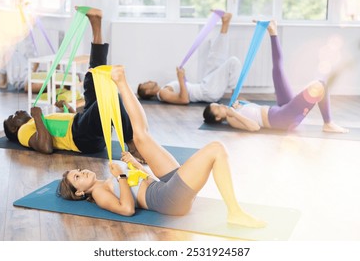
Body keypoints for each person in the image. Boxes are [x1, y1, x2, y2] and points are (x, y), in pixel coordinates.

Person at [57, 62, 266, 228]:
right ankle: (235, 213)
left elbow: (145, 181)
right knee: (216, 148)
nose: (82, 171)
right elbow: (128, 209)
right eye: (77, 177)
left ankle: (121, 82)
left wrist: (134, 165)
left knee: (141, 137)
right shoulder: (100, 193)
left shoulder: (105, 180)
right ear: (79, 193)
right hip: (168, 199)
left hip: (161, 185)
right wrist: (121, 175)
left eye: (78, 170)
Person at [3, 7, 143, 161]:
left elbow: (60, 130)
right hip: (81, 138)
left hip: (81, 128)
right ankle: (132, 144)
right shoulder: (23, 132)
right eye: (12, 117)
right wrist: (37, 116)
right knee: (110, 97)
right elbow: (46, 147)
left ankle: (96, 23)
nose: (16, 113)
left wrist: (68, 109)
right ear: (13, 128)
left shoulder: (32, 124)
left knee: (93, 79)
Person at [203, 20, 349, 134]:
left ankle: (273, 31)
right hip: (283, 118)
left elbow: (254, 110)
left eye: (218, 104)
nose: (221, 105)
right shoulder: (232, 119)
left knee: (277, 71)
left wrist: (241, 104)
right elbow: (254, 127)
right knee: (320, 85)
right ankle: (328, 123)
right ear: (217, 118)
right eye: (218, 108)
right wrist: (234, 113)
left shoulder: (233, 110)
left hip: (279, 109)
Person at [137, 12, 241, 105]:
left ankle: (225, 22)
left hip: (205, 86)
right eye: (146, 83)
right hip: (208, 92)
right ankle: (235, 97)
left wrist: (181, 78)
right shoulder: (163, 94)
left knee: (215, 57)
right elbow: (184, 100)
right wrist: (181, 78)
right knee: (233, 62)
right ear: (147, 92)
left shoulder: (164, 89)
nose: (149, 80)